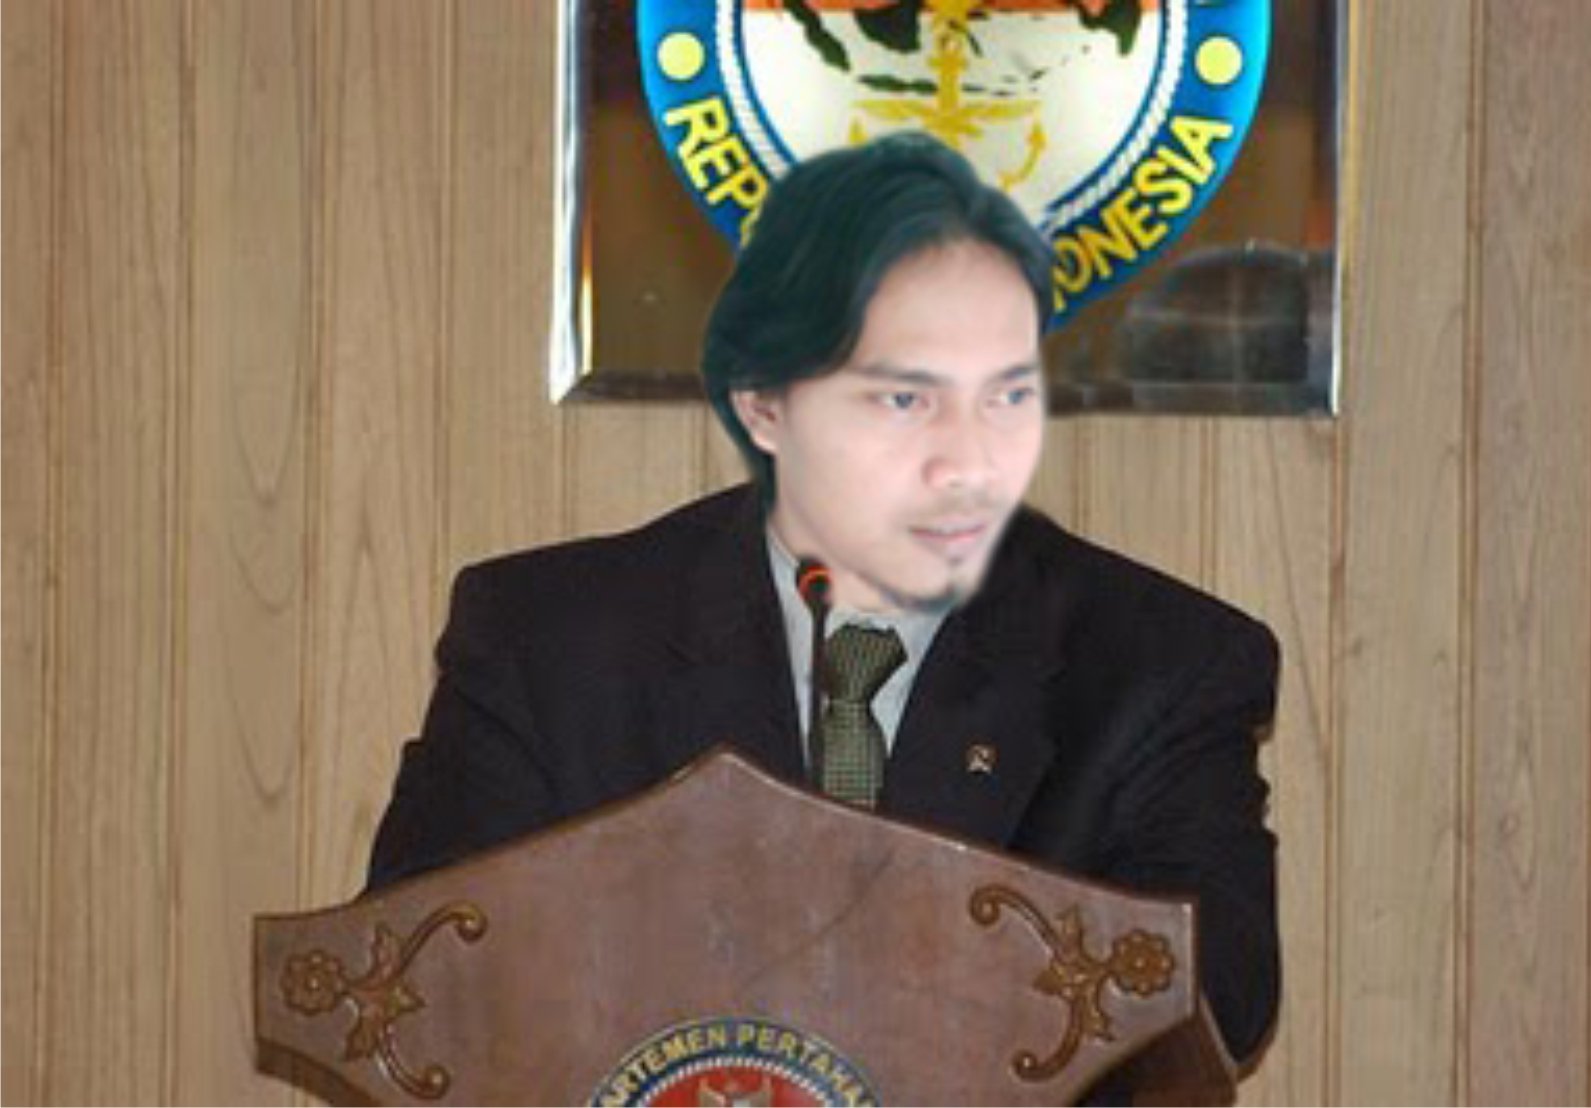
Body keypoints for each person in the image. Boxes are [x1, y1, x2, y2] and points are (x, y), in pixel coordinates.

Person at [366, 132, 1281, 1071]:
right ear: (762, 403)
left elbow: (1214, 996)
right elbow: (414, 979)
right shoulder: (547, 641)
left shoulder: (1160, 663)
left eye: (998, 396)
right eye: (901, 398)